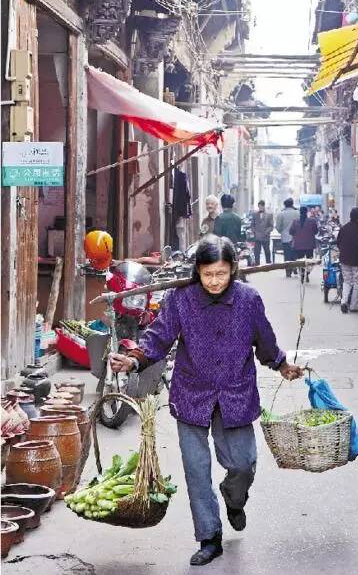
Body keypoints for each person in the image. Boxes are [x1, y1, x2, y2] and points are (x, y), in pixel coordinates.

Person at [110, 235, 302, 566]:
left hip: (235, 394)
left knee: (242, 464)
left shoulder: (249, 300)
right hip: (192, 394)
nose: (214, 281)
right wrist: (134, 359)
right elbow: (159, 336)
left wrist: (281, 364)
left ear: (233, 270)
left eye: (221, 273)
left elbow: (265, 341)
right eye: (207, 273)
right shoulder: (180, 298)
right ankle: (209, 536)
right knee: (196, 470)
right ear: (197, 271)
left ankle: (234, 497)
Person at [336, 207, 358, 314]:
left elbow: (338, 242)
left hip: (344, 259)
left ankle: (344, 302)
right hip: (357, 260)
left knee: (347, 281)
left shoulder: (343, 228)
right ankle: (354, 306)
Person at [289, 206, 318, 283]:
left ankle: (302, 274)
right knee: (310, 261)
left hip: (298, 245)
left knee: (300, 261)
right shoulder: (312, 221)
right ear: (307, 212)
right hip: (309, 245)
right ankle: (307, 273)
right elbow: (316, 232)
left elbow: (291, 232)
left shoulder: (295, 221)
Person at [276, 198, 299, 277]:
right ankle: (295, 266)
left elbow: (278, 227)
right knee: (295, 254)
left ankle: (288, 271)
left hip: (285, 237)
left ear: (285, 205)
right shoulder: (297, 213)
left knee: (287, 255)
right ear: (292, 204)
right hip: (296, 237)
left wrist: (282, 232)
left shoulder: (281, 214)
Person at [252, 200, 273, 265]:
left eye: (261, 207)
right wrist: (254, 232)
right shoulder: (255, 214)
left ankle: (268, 264)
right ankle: (257, 265)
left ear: (264, 206)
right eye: (259, 207)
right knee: (256, 252)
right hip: (257, 236)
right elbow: (252, 225)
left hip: (265, 236)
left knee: (267, 251)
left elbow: (271, 226)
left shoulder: (269, 214)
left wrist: (266, 232)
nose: (260, 208)